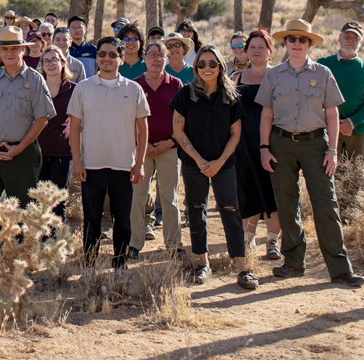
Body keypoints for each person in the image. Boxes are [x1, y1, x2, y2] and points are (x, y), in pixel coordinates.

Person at [258, 19, 364, 288]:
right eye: (292, 39)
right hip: (281, 144)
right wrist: (263, 148)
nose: (296, 44)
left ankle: (340, 269)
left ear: (308, 44)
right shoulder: (274, 75)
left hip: (316, 145)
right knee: (287, 203)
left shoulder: (323, 73)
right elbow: (267, 114)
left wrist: (332, 150)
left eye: (302, 40)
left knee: (326, 204)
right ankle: (293, 263)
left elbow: (332, 113)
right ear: (286, 43)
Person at [171, 44, 256, 289]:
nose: (206, 68)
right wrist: (199, 160)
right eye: (201, 64)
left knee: (231, 210)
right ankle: (202, 264)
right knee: (196, 210)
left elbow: (235, 134)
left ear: (220, 66)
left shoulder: (231, 96)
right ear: (196, 67)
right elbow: (178, 129)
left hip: (224, 163)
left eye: (212, 63)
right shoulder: (185, 95)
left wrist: (219, 162)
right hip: (192, 162)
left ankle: (241, 268)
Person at [68, 36, 149, 268]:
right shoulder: (83, 88)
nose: (106, 58)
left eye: (113, 54)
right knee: (91, 220)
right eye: (102, 54)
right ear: (97, 58)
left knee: (122, 220)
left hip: (124, 165)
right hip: (91, 165)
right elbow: (74, 127)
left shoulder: (134, 89)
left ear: (121, 59)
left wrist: (140, 163)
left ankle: (120, 265)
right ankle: (90, 264)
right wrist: (77, 161)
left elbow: (143, 129)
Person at [0, 26, 55, 213]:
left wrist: (20, 147)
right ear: (0, 52)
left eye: (14, 48)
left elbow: (42, 118)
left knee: (23, 213)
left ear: (23, 50)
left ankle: (22, 244)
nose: (9, 53)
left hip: (23, 156)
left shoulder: (35, 79)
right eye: (5, 49)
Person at [317, 21, 364, 215]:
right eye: (347, 37)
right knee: (328, 170)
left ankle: (347, 212)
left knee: (353, 171)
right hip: (327, 128)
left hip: (357, 129)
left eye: (355, 38)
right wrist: (332, 122)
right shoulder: (323, 64)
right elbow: (314, 97)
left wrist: (352, 122)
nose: (350, 41)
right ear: (339, 38)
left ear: (361, 42)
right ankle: (329, 211)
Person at [129, 38, 183, 260]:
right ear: (144, 58)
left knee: (169, 197)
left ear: (166, 59)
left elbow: (181, 119)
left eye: (161, 55)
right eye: (152, 55)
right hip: (141, 149)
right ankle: (135, 242)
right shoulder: (134, 85)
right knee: (138, 195)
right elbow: (129, 119)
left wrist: (170, 142)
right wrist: (144, 145)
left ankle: (174, 244)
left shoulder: (176, 84)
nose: (156, 59)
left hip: (169, 147)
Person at [235, 28, 283, 261]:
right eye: (252, 47)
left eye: (261, 47)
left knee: (273, 191)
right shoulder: (236, 79)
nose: (256, 51)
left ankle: (273, 240)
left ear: (269, 51)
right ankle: (248, 237)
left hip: (274, 144)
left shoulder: (279, 77)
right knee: (247, 189)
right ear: (245, 51)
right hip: (243, 146)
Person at [37, 44, 75, 218]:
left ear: (63, 62)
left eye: (54, 59)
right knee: (40, 200)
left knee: (58, 201)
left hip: (62, 151)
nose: (50, 64)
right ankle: (39, 242)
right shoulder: (36, 88)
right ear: (42, 65)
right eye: (46, 61)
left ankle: (57, 242)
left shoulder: (74, 89)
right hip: (38, 150)